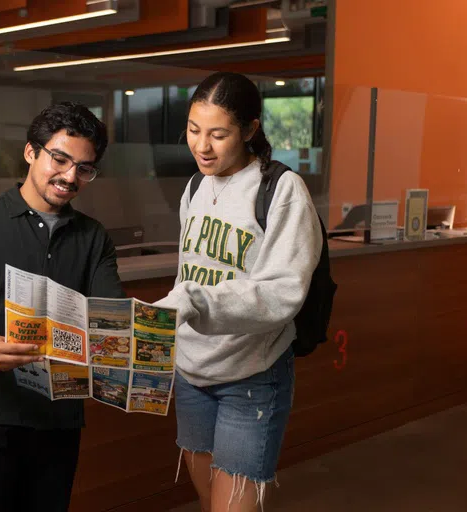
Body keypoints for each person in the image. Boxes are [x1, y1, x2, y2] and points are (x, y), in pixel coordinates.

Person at [0, 102, 124, 512]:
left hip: (58, 419)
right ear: (31, 152)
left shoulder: (94, 238)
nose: (70, 177)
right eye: (60, 159)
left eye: (84, 169)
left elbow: (111, 318)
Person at [154, 72, 322, 512]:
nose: (202, 147)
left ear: (250, 129)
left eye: (218, 134)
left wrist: (196, 301)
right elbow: (190, 271)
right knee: (211, 503)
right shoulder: (195, 186)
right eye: (193, 130)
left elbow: (281, 293)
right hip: (190, 371)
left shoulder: (281, 190)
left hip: (251, 376)